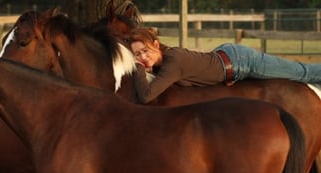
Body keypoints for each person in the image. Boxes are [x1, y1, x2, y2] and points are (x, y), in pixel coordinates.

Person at [129, 27, 321, 104]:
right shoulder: (165, 63)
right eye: (137, 54)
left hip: (241, 61)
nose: (143, 57)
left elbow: (146, 96)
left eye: (145, 50)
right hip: (224, 57)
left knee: (301, 72)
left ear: (156, 44)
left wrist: (136, 67)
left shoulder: (173, 62)